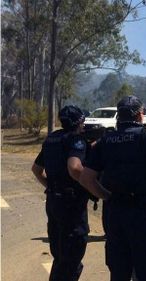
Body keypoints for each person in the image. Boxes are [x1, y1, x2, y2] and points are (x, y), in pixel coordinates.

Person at [79, 95, 146, 281]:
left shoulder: (105, 141)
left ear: (119, 116)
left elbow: (86, 177)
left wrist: (106, 196)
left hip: (116, 212)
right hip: (145, 213)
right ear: (140, 115)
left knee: (119, 270)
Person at [31, 105, 90, 281]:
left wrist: (51, 186)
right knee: (71, 259)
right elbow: (74, 168)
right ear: (79, 122)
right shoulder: (76, 140)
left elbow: (36, 169)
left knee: (60, 257)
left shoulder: (52, 139)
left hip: (54, 202)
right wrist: (93, 187)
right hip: (71, 206)